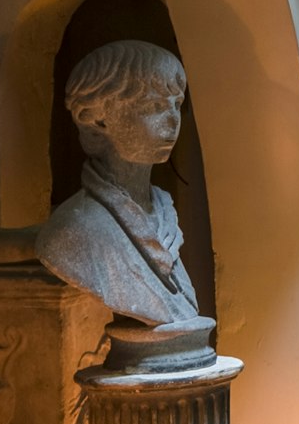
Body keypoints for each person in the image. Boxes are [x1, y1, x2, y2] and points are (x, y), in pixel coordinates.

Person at [35, 38, 208, 328]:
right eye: (153, 105)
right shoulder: (73, 231)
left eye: (176, 104)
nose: (172, 120)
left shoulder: (164, 212)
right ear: (94, 119)